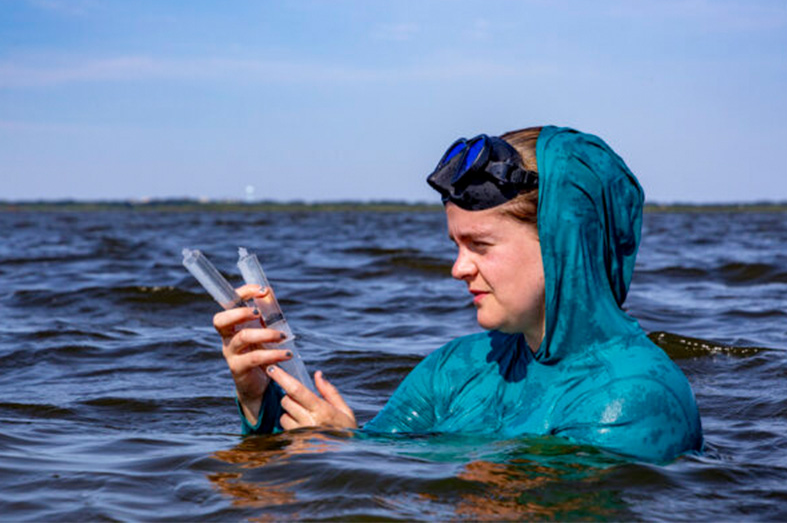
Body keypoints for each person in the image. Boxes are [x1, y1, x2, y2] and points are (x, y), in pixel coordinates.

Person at [213, 125, 704, 463]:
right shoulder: (460, 367)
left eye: (480, 245)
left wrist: (351, 451)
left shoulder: (633, 400)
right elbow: (354, 457)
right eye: (456, 244)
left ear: (564, 241)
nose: (458, 268)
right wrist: (263, 398)